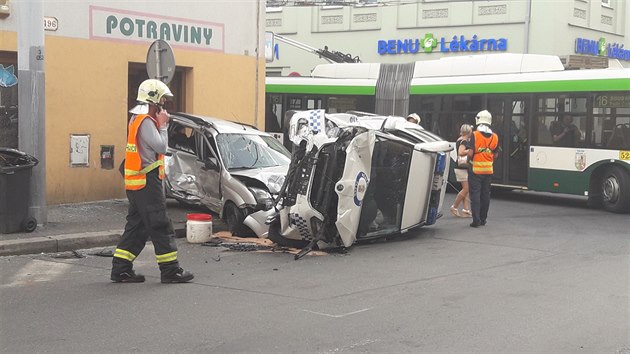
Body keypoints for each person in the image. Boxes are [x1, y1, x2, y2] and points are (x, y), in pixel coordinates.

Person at [111, 79, 194, 283]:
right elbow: (161, 148)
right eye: (162, 98)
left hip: (138, 183)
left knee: (137, 227)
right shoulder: (145, 121)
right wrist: (164, 127)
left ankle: (121, 269)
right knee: (160, 225)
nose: (164, 102)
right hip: (147, 183)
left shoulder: (137, 118)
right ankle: (170, 271)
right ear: (154, 98)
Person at [468, 110, 499, 228]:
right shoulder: (495, 137)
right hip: (488, 171)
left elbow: (470, 153)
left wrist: (467, 160)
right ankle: (483, 219)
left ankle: (476, 220)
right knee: (485, 195)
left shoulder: (475, 135)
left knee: (475, 195)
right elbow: (495, 155)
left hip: (476, 170)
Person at [450, 124, 473, 218]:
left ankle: (466, 209)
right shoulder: (464, 141)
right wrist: (470, 150)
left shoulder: (460, 139)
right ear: (469, 132)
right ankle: (454, 206)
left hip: (461, 167)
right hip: (461, 167)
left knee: (466, 189)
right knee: (466, 189)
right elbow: (460, 152)